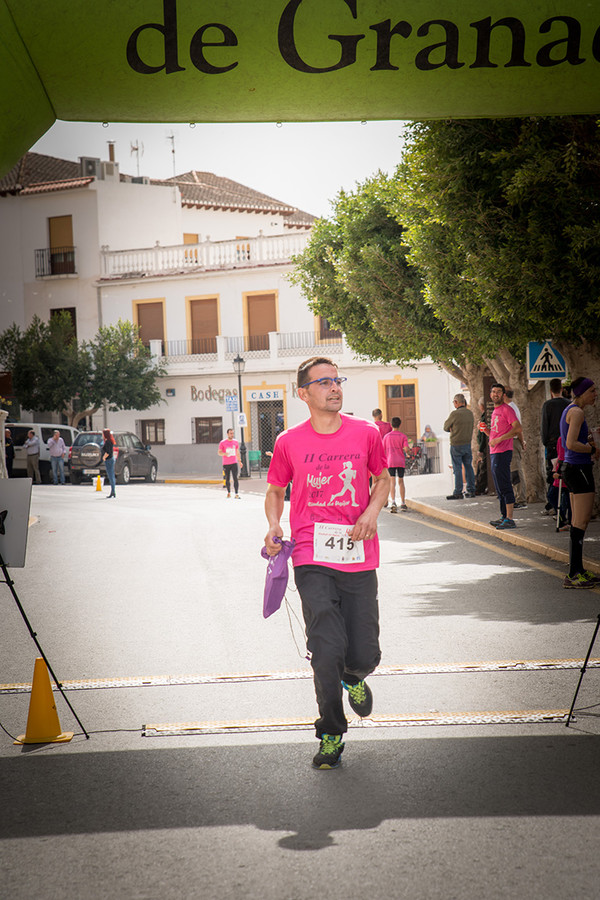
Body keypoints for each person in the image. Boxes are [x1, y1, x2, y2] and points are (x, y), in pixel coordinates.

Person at [265, 356, 389, 770]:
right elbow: (275, 490)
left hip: (358, 554)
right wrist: (273, 525)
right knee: (325, 647)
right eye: (324, 382)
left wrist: (371, 512)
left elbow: (383, 478)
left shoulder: (366, 432)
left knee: (365, 652)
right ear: (303, 393)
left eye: (337, 380)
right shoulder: (288, 441)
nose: (335, 387)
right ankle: (331, 731)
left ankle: (354, 677)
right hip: (311, 555)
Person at [559, 377, 600, 588]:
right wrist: (593, 449)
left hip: (572, 468)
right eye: (592, 391)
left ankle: (577, 571)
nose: (595, 394)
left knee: (577, 522)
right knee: (581, 522)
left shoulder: (570, 410)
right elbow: (571, 443)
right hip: (579, 468)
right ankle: (574, 574)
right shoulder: (577, 412)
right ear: (582, 393)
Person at [480, 383, 523, 530]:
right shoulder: (495, 411)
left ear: (503, 395)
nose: (495, 394)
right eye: (493, 392)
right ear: (490, 394)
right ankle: (504, 516)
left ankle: (510, 519)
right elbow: (494, 434)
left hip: (503, 452)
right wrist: (485, 430)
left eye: (498, 392)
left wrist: (499, 439)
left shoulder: (507, 409)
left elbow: (518, 428)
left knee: (505, 484)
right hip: (494, 452)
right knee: (499, 487)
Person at [540, 378, 569, 516]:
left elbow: (544, 426)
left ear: (551, 391)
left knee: (553, 474)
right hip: (567, 443)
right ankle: (563, 506)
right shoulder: (568, 404)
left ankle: (555, 506)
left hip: (553, 445)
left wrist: (545, 442)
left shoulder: (548, 405)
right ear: (561, 389)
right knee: (565, 475)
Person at [443, 393, 476, 499]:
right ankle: (471, 490)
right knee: (468, 466)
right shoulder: (470, 413)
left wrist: (452, 428)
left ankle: (458, 492)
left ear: (456, 402)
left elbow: (445, 427)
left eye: (454, 402)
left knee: (457, 468)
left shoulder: (454, 414)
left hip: (456, 444)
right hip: (467, 443)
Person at [505, 388, 527, 508]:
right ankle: (517, 497)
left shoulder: (511, 408)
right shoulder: (509, 407)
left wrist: (522, 441)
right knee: (513, 471)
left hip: (513, 441)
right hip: (510, 442)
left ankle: (521, 499)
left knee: (516, 471)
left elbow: (518, 428)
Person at [383, 416, 409, 512]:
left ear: (391, 425)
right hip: (400, 461)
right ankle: (403, 503)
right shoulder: (403, 436)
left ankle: (393, 502)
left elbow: (382, 449)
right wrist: (408, 451)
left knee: (392, 482)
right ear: (400, 425)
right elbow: (406, 449)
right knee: (401, 481)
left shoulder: (386, 437)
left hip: (390, 461)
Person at [218, 427, 241, 499]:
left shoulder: (235, 442)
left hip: (234, 462)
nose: (232, 435)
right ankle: (228, 492)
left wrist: (240, 461)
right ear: (227, 434)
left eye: (233, 433)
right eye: (231, 433)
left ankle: (236, 493)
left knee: (235, 478)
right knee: (227, 478)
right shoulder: (222, 442)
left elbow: (237, 452)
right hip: (226, 463)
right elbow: (219, 452)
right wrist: (225, 454)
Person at [475, 398, 488, 495]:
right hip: (484, 446)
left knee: (483, 468)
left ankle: (480, 488)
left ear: (481, 406)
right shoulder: (484, 416)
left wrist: (480, 449)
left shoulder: (484, 418)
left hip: (485, 447)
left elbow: (483, 435)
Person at [102, 428, 116, 498]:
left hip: (109, 460)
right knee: (111, 475)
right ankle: (113, 491)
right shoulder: (110, 441)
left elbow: (108, 452)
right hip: (111, 459)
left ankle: (113, 491)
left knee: (110, 476)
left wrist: (104, 457)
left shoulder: (107, 442)